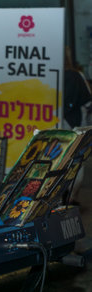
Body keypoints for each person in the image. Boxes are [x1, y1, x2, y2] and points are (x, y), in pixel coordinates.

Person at [62, 46, 92, 205]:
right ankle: (71, 195)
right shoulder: (77, 75)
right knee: (76, 161)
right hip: (76, 125)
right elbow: (88, 101)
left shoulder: (46, 75)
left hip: (55, 124)